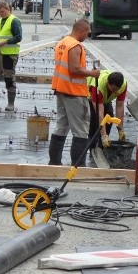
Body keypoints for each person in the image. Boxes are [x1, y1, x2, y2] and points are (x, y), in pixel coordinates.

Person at [49, 19, 100, 166]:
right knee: (81, 131)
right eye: (87, 33)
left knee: (61, 127)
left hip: (61, 89)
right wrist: (92, 73)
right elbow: (74, 69)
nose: (87, 36)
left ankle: (54, 163)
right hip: (74, 93)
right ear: (82, 30)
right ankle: (78, 166)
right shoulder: (75, 46)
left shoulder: (63, 42)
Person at [87, 70, 127, 148]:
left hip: (105, 99)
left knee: (109, 116)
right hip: (91, 98)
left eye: (116, 90)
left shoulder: (123, 85)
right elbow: (100, 113)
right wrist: (104, 136)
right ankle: (92, 147)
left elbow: (119, 106)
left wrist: (120, 129)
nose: (114, 91)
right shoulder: (98, 87)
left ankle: (103, 145)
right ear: (107, 83)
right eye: (112, 89)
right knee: (94, 122)